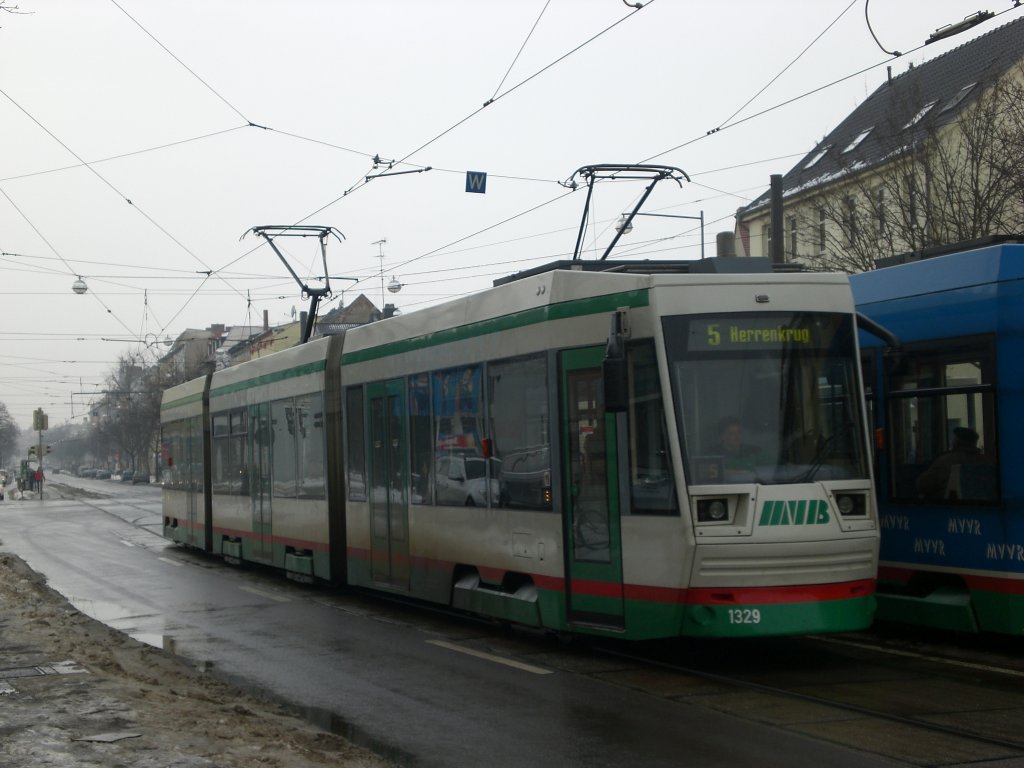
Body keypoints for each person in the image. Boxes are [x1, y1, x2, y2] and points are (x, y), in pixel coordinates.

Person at [916, 427, 991, 499]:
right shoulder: (985, 461)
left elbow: (922, 485)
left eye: (953, 438)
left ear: (956, 441)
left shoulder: (945, 460)